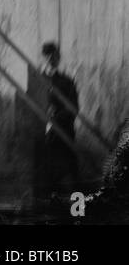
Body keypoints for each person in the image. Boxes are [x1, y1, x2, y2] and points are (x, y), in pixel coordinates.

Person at [37, 41, 79, 198]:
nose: (51, 60)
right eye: (47, 57)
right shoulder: (37, 81)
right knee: (46, 171)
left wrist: (55, 117)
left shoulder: (67, 82)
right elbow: (30, 106)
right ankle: (49, 204)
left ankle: (78, 208)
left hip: (64, 130)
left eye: (54, 56)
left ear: (58, 58)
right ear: (43, 59)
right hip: (44, 133)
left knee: (72, 170)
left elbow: (74, 108)